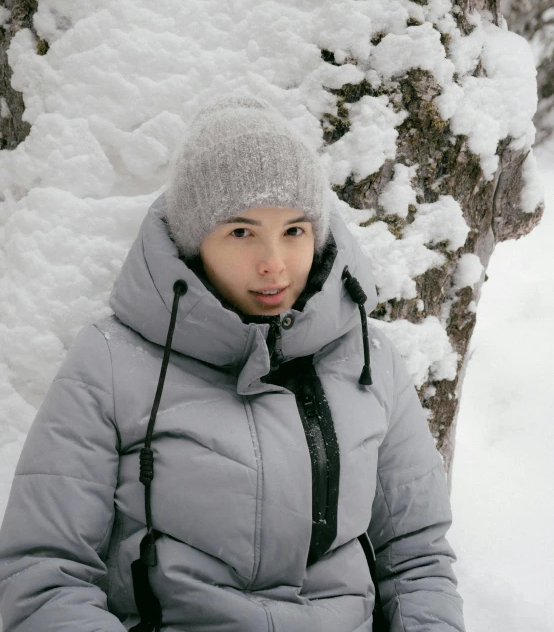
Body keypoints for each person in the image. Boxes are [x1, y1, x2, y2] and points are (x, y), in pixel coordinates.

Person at [0, 96, 465, 632]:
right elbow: (43, 573)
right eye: (241, 232)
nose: (274, 263)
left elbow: (418, 556)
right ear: (196, 241)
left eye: (294, 231)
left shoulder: (370, 361)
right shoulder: (110, 361)